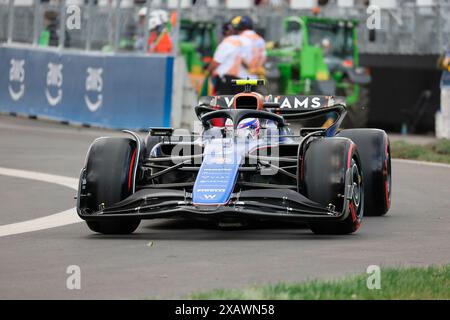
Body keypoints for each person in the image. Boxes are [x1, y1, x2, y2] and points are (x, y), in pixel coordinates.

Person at [208, 21, 244, 95]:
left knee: (224, 103)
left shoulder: (227, 42)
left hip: (226, 80)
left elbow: (216, 62)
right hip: (243, 79)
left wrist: (209, 71)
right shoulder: (244, 41)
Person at [230, 15, 266, 80]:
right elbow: (263, 57)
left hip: (240, 76)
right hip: (254, 78)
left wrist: (249, 68)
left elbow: (239, 57)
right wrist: (256, 69)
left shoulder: (239, 38)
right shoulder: (260, 39)